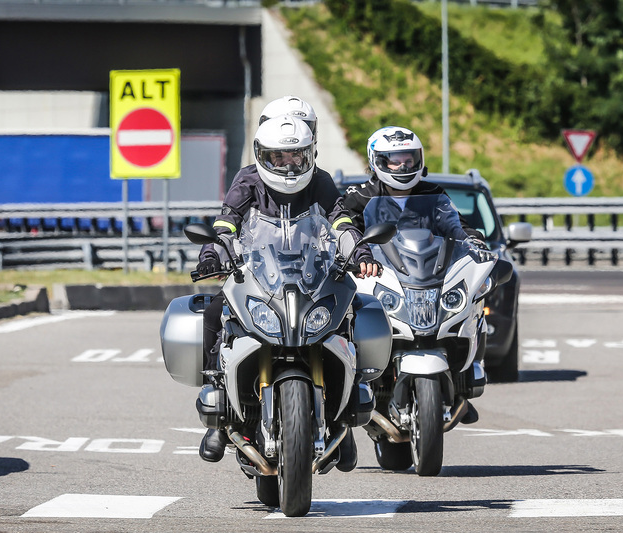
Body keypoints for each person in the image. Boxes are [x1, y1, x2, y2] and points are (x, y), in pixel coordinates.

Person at [195, 112, 382, 464]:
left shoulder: (321, 181)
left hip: (313, 273)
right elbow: (226, 223)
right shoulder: (247, 181)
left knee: (353, 309)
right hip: (259, 274)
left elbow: (341, 220)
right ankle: (216, 402)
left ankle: (346, 417)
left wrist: (359, 252)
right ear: (262, 155)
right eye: (278, 156)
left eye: (295, 155)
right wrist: (212, 254)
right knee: (213, 310)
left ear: (309, 153)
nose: (288, 164)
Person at [343, 126, 485, 243]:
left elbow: (455, 226)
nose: (403, 168)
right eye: (396, 162)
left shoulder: (434, 194)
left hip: (430, 272)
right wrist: (360, 257)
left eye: (408, 161)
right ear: (378, 163)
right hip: (376, 273)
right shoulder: (359, 197)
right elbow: (346, 236)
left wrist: (471, 239)